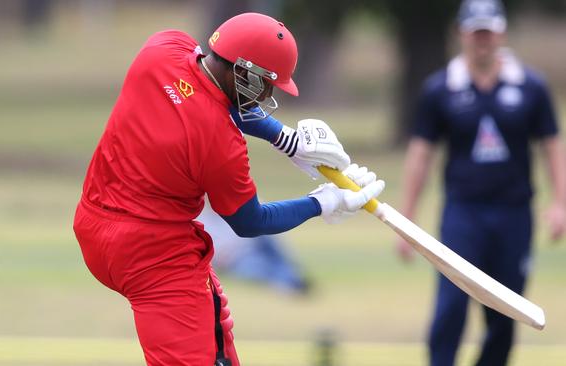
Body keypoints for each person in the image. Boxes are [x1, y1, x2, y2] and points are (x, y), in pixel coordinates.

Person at [73, 12, 385, 366]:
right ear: (243, 71)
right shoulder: (220, 142)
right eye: (266, 82)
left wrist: (286, 140)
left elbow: (204, 95)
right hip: (154, 256)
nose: (268, 92)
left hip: (92, 223)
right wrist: (322, 202)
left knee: (216, 320)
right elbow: (250, 221)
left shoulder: (161, 49)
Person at [395, 1, 566, 365]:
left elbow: (552, 145)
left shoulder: (530, 86)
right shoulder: (441, 89)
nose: (482, 41)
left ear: (501, 33)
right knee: (452, 303)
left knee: (506, 309)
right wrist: (406, 221)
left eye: (488, 32)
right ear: (462, 34)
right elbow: (420, 155)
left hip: (515, 213)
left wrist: (560, 203)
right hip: (463, 213)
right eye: (476, 33)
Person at [197, 200, 312, 295]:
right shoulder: (204, 219)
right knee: (259, 265)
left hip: (254, 245)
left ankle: (294, 278)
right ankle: (289, 283)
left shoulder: (235, 209)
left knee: (272, 243)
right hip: (237, 258)